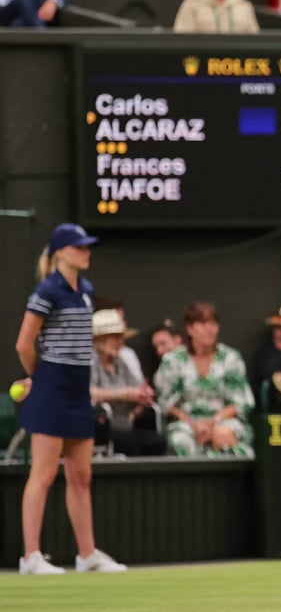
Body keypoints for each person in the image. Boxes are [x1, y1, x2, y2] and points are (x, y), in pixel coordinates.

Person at [14, 224, 127, 574]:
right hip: (51, 389)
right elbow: (23, 344)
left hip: (78, 391)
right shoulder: (48, 290)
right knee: (44, 474)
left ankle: (86, 554)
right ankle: (31, 556)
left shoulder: (87, 290)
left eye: (87, 246)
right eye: (79, 247)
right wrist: (40, 378)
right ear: (61, 252)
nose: (86, 251)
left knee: (81, 476)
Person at [155, 303, 255, 458]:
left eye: (213, 323)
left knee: (223, 435)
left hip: (223, 419)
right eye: (202, 324)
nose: (209, 329)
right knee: (181, 440)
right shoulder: (173, 360)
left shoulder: (230, 358)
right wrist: (194, 425)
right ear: (189, 329)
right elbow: (166, 404)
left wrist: (214, 422)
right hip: (186, 423)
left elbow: (242, 403)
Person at [89, 309, 164, 457]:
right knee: (129, 442)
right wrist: (122, 394)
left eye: (121, 337)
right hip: (100, 427)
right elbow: (86, 392)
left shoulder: (121, 362)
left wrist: (143, 396)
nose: (120, 342)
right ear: (100, 339)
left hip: (126, 424)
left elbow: (136, 388)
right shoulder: (90, 360)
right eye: (115, 337)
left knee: (157, 442)